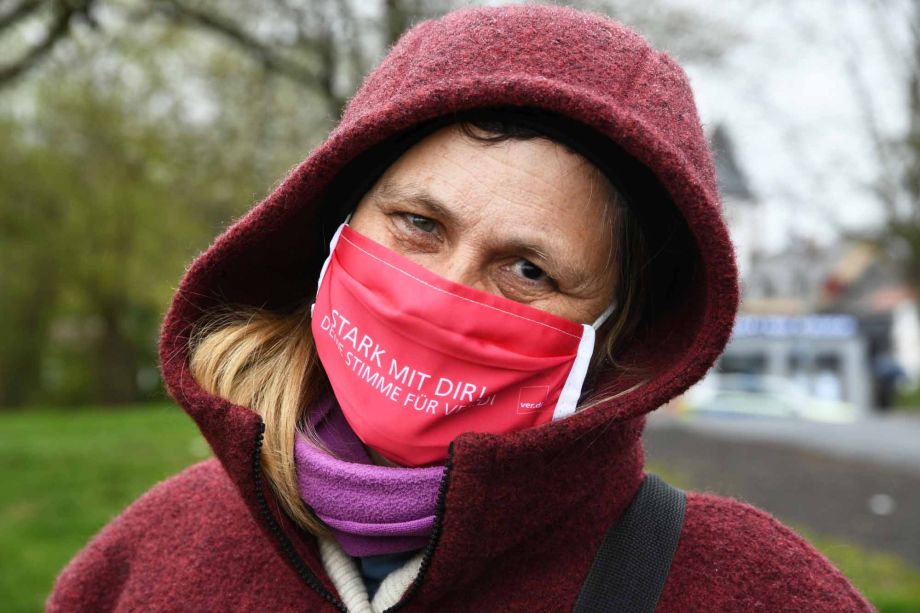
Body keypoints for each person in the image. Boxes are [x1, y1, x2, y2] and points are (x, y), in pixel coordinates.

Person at [47, 5, 871, 612]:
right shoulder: (150, 559)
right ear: (332, 224)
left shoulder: (749, 592)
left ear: (617, 333)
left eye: (527, 268)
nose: (447, 292)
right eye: (418, 224)